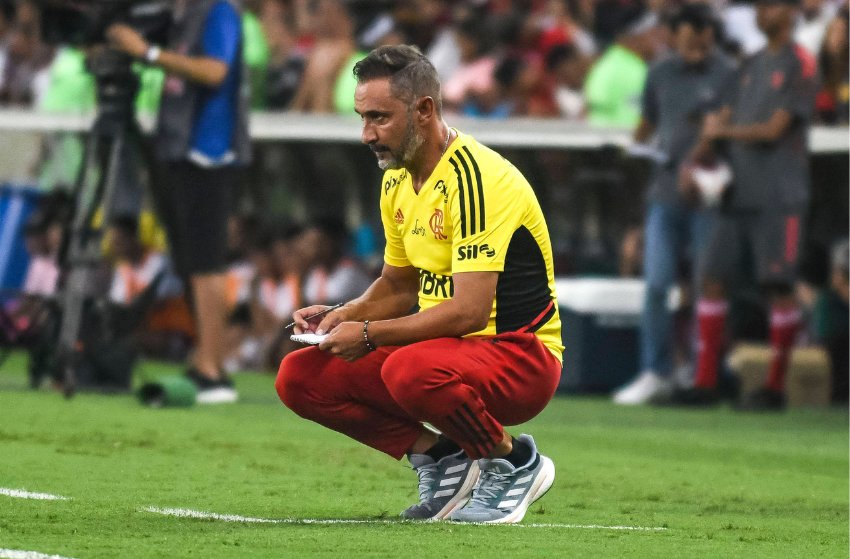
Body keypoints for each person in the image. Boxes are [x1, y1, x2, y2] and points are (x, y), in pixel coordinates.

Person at [276, 45, 563, 524]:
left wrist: (367, 335)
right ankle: (442, 457)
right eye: (362, 118)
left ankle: (514, 463)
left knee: (408, 369)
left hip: (519, 355)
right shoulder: (397, 179)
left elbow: (470, 312)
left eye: (379, 118)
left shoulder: (476, 180)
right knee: (300, 377)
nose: (367, 134)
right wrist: (342, 315)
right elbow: (397, 286)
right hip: (443, 352)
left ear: (424, 110)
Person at [107, 0, 251, 404]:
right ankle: (205, 358)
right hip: (179, 146)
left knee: (207, 262)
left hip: (208, 149)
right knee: (191, 261)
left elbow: (215, 71)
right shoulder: (182, 13)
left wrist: (148, 53)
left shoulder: (218, 10)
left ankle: (213, 368)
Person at [679, 0, 818, 409]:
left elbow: (776, 128)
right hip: (736, 192)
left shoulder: (799, 63)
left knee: (778, 286)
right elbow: (720, 116)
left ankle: (775, 388)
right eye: (759, 7)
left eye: (772, 7)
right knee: (714, 278)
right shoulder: (751, 63)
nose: (763, 14)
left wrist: (724, 131)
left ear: (792, 12)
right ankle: (705, 382)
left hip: (780, 194)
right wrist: (699, 154)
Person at [613, 4, 736, 405]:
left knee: (707, 285)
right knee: (657, 284)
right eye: (686, 42)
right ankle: (656, 372)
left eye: (701, 43)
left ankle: (701, 372)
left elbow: (725, 128)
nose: (694, 51)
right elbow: (648, 122)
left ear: (711, 37)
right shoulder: (660, 72)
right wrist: (634, 146)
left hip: (711, 194)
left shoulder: (728, 74)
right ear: (674, 37)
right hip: (664, 193)